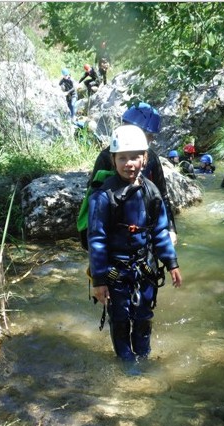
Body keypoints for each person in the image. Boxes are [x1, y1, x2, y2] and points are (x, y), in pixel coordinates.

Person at [88, 124, 183, 365]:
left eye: (135, 157)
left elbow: (160, 231)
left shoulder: (151, 192)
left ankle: (143, 355)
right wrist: (99, 281)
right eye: (122, 158)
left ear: (145, 158)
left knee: (144, 315)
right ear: (113, 160)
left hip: (145, 268)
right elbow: (96, 240)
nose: (129, 163)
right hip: (115, 271)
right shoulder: (102, 196)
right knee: (120, 318)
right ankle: (126, 362)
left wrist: (171, 262)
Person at [88, 102, 178, 245]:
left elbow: (162, 195)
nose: (152, 139)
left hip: (143, 225)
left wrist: (171, 229)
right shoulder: (107, 156)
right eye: (150, 135)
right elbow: (93, 194)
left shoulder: (151, 157)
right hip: (113, 228)